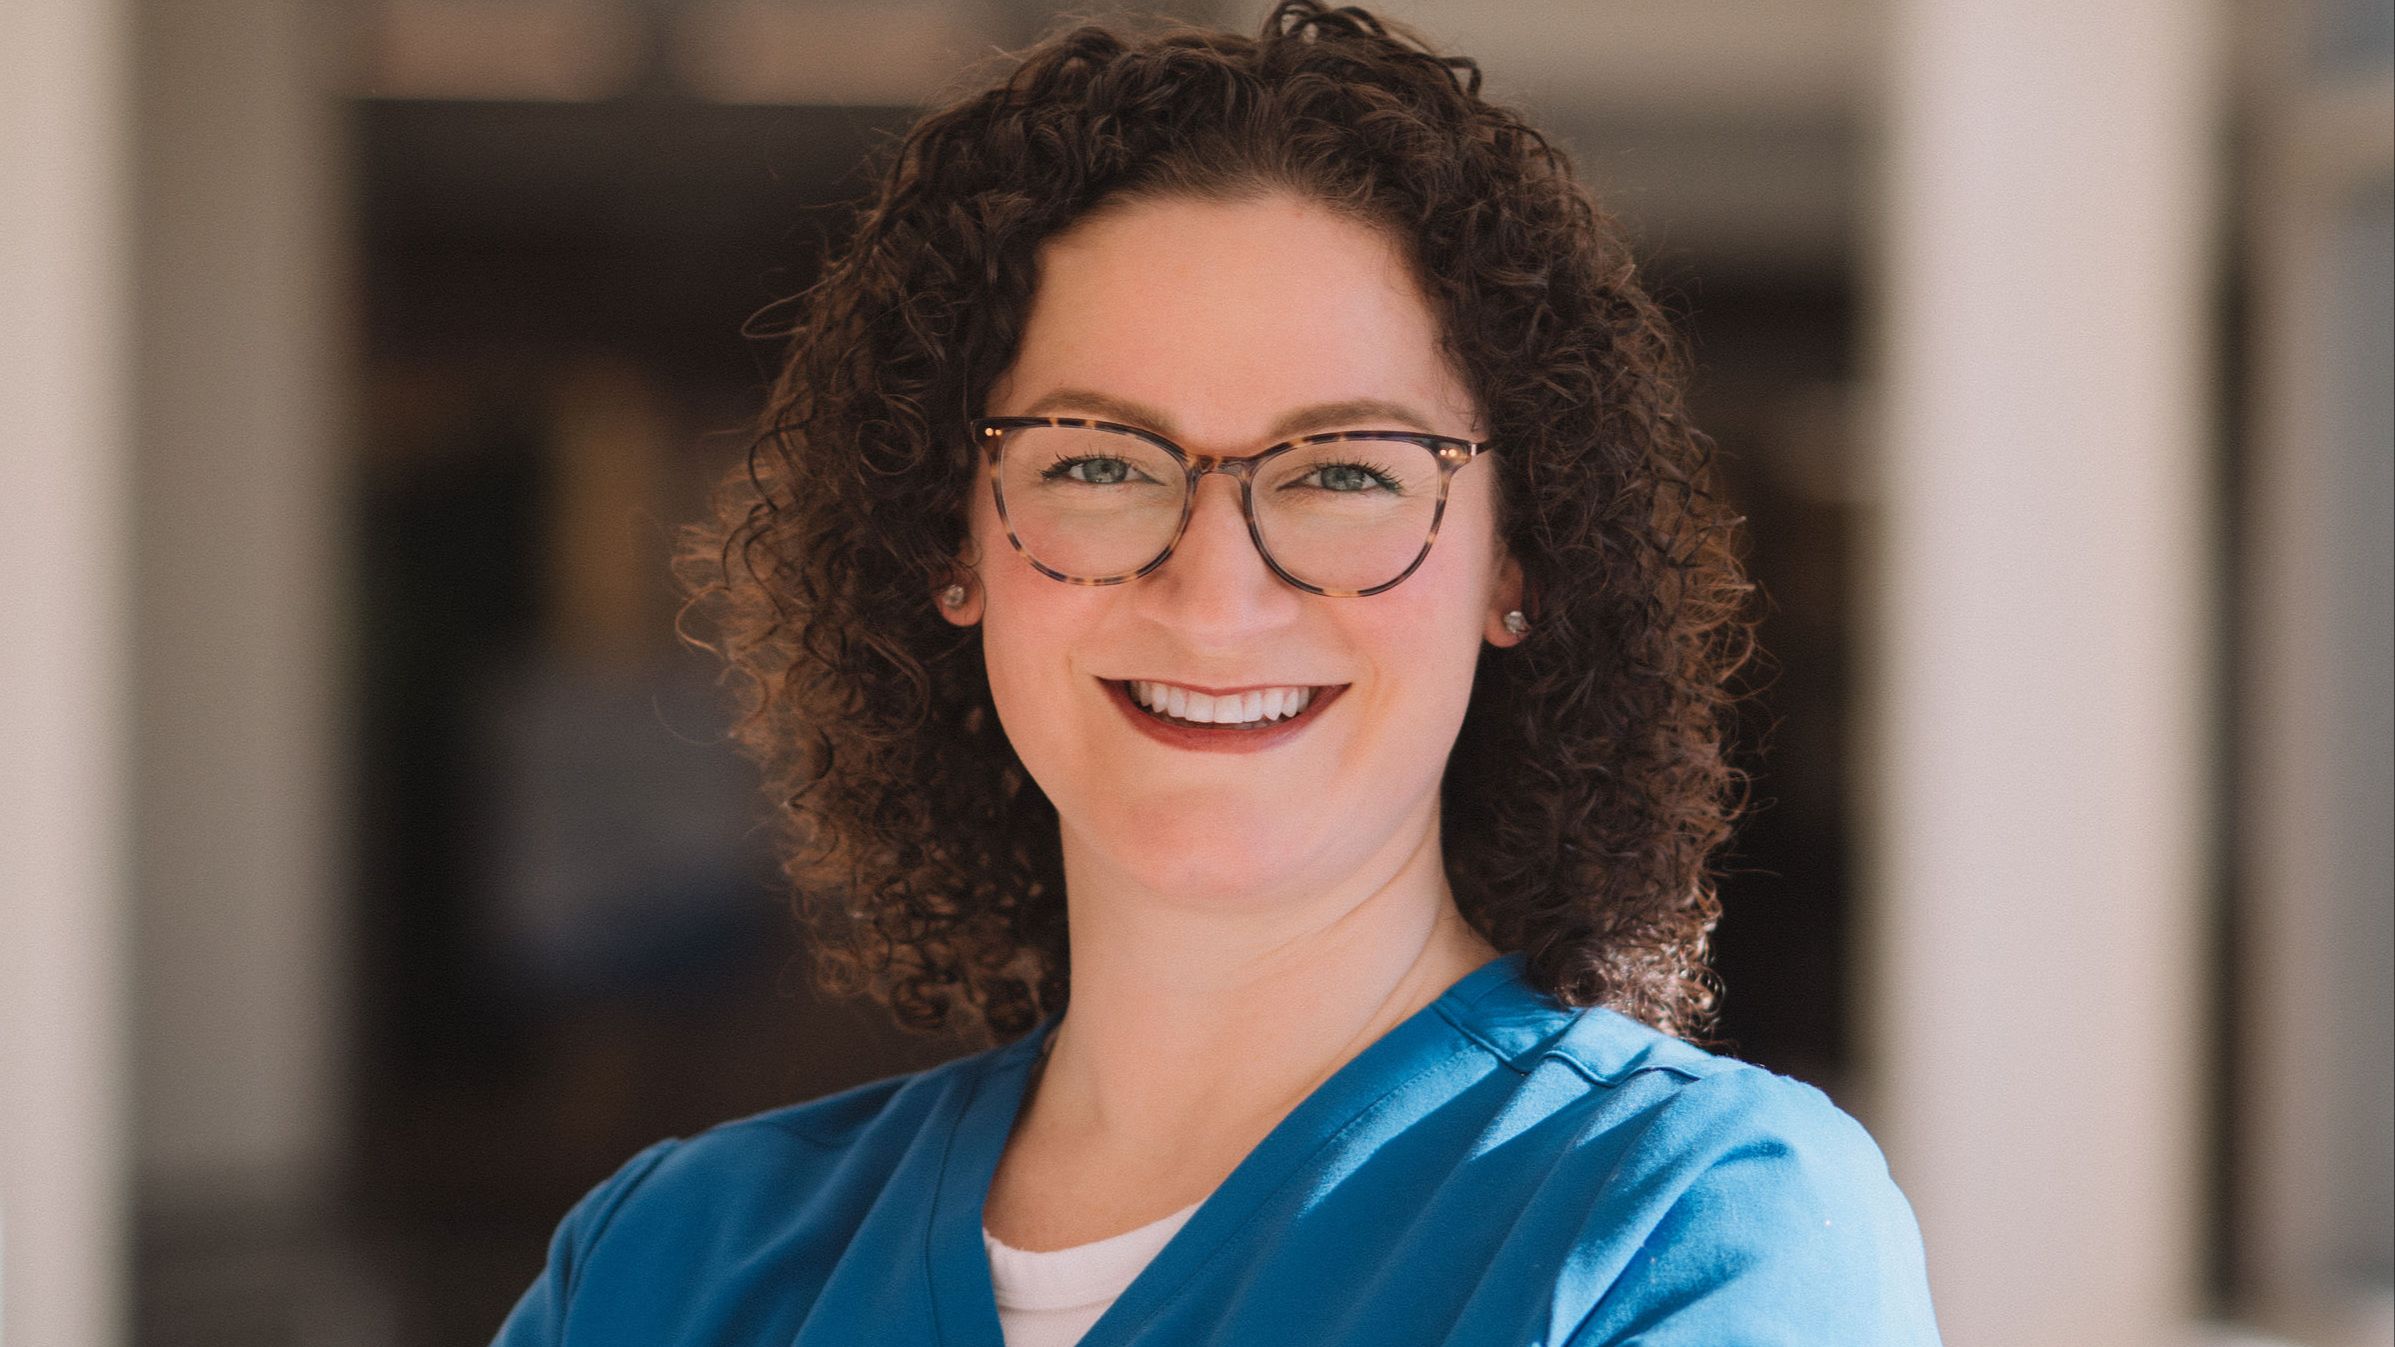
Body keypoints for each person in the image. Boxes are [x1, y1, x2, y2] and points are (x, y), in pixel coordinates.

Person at [493, 4, 1943, 1344]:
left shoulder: (1685, 1230)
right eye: (1102, 465)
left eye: (1346, 473)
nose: (1218, 589)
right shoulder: (666, 1267)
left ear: (1520, 562)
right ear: (952, 542)